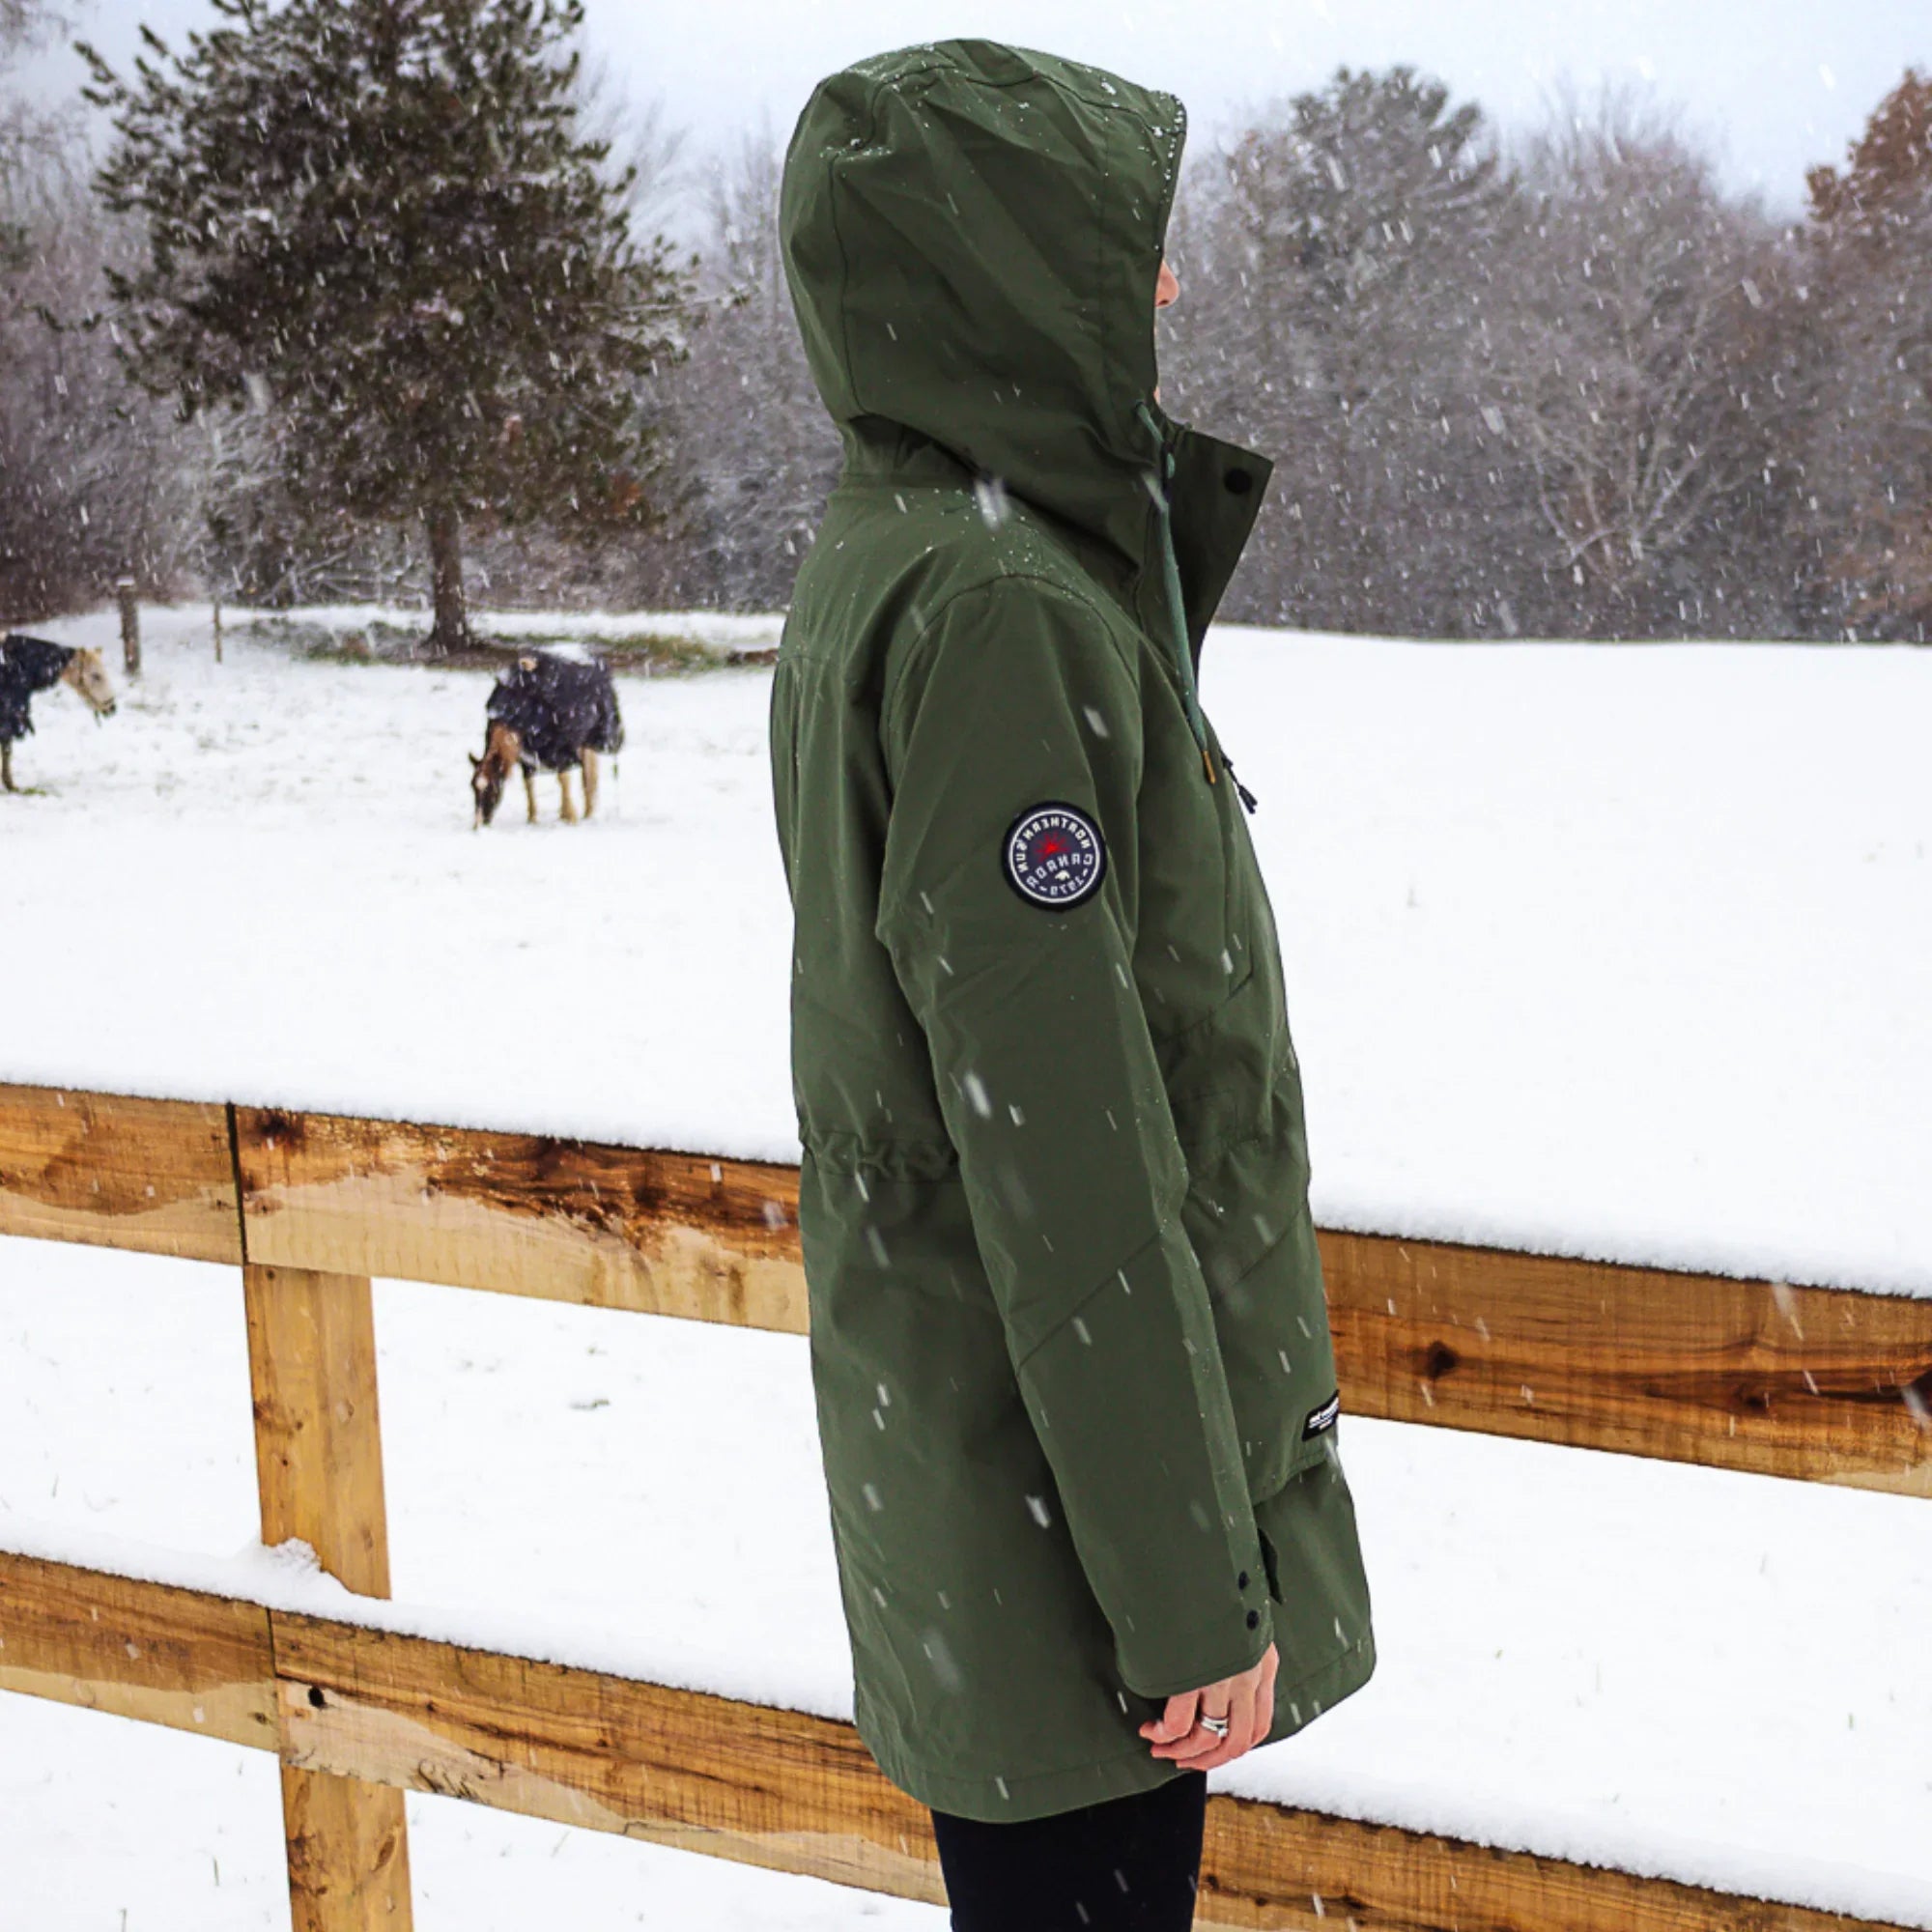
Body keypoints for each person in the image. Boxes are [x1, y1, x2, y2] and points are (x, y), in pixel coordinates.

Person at [769, 39, 1375, 1930]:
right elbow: (1068, 1161)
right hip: (1068, 1565)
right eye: (1127, 251)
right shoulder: (997, 615)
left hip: (990, 1504)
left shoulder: (905, 560)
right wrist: (1192, 1591)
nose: (1168, 290)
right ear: (998, 274)